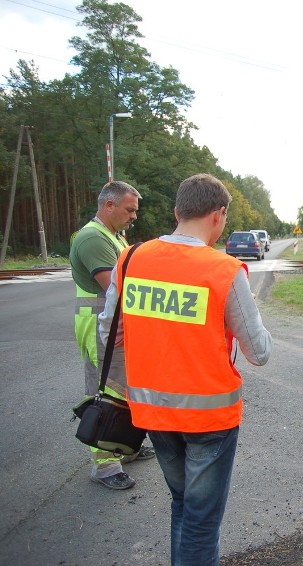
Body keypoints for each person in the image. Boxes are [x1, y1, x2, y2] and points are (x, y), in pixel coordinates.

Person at [98, 173, 272, 565]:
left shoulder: (132, 258)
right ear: (219, 215)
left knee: (182, 504)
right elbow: (258, 352)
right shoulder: (224, 270)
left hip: (153, 413)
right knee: (201, 521)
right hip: (209, 417)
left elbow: (110, 330)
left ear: (178, 211)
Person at [69, 180, 154, 490]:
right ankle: (104, 465)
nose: (133, 216)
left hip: (113, 320)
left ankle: (121, 447)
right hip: (97, 322)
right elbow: (117, 288)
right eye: (129, 210)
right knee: (105, 391)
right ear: (109, 205)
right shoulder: (93, 238)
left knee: (123, 388)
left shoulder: (112, 235)